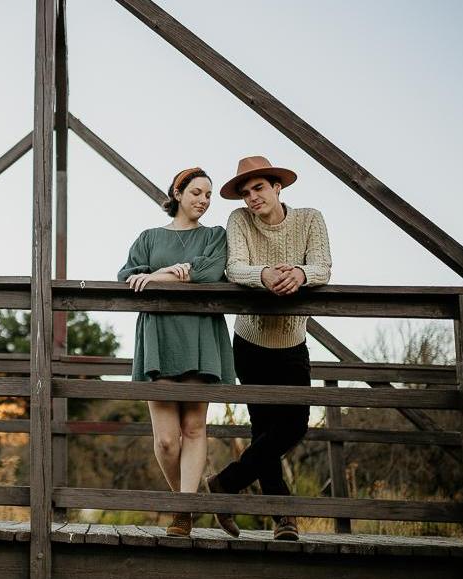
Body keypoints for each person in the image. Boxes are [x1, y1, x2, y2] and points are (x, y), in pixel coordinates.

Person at [206, 155, 332, 541]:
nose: (252, 198)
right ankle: (284, 518)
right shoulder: (240, 220)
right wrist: (264, 274)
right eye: (246, 193)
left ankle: (226, 483)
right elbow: (234, 267)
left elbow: (323, 267)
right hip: (250, 342)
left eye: (259, 188)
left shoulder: (309, 219)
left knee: (294, 426)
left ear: (278, 187)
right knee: (264, 429)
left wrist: (300, 274)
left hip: (292, 342)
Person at [118, 167, 236, 537]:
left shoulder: (214, 236)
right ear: (178, 193)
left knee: (194, 428)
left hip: (200, 336)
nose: (203, 200)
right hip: (159, 338)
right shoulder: (149, 237)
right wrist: (169, 271)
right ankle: (191, 497)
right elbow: (128, 276)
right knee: (167, 440)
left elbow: (209, 272)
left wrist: (158, 276)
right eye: (196, 192)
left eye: (208, 195)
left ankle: (183, 512)